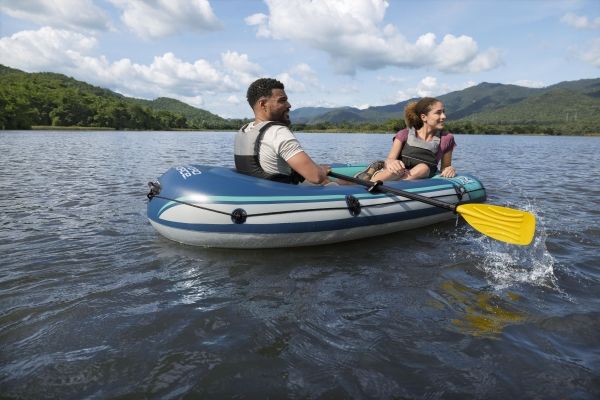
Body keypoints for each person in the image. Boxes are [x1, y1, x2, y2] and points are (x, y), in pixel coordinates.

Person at [234, 78, 331, 185]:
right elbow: (316, 176)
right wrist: (322, 170)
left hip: (258, 189)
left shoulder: (244, 130)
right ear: (263, 104)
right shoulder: (278, 132)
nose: (289, 105)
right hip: (281, 192)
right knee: (337, 181)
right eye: (282, 100)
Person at [357, 97, 457, 182]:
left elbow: (445, 167)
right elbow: (390, 159)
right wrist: (392, 162)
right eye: (438, 113)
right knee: (396, 170)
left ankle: (378, 182)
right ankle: (369, 181)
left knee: (423, 168)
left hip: (422, 174)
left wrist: (449, 169)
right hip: (397, 172)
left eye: (443, 112)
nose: (444, 116)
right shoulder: (404, 134)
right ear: (424, 117)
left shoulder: (447, 139)